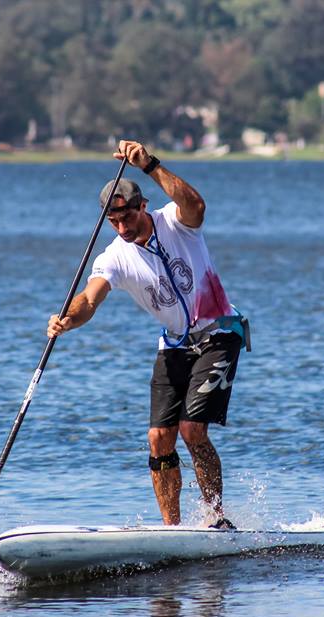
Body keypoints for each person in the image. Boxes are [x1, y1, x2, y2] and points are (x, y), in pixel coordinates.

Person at [47, 140, 249, 529]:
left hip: (219, 331)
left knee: (192, 430)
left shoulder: (176, 221)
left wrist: (150, 165)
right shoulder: (114, 256)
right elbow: (89, 299)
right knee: (159, 438)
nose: (123, 228)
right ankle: (172, 532)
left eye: (128, 218)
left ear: (142, 206)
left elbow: (197, 205)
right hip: (174, 343)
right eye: (114, 221)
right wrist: (67, 319)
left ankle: (217, 519)